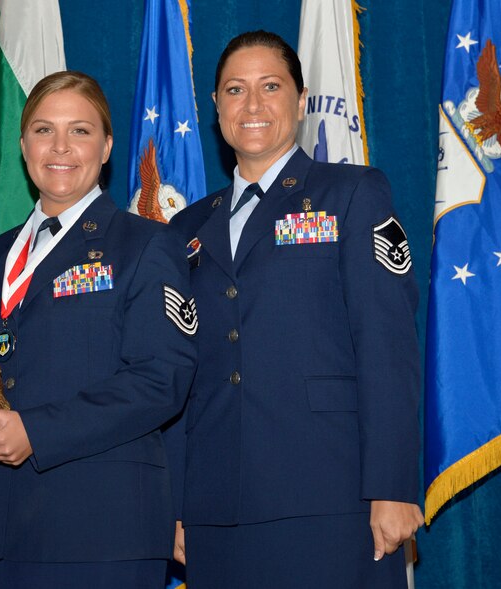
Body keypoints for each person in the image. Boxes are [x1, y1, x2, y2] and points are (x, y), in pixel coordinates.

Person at [169, 31, 424, 587]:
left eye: (270, 87)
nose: (253, 105)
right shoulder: (186, 228)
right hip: (216, 508)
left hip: (332, 493)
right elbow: (177, 374)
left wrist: (394, 484)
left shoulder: (352, 193)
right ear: (216, 108)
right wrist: (176, 500)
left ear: (301, 99)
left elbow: (388, 344)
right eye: (235, 90)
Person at [0, 70, 197, 588]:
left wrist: (35, 433)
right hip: (0, 534)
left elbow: (160, 380)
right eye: (43, 130)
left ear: (106, 147)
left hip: (103, 533)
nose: (60, 147)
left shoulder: (146, 245)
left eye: (80, 131)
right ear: (22, 144)